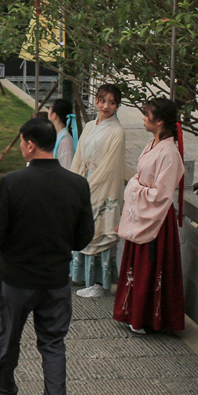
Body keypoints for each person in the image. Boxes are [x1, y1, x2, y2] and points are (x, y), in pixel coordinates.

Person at [0, 118, 95, 395]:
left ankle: (3, 392)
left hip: (17, 279)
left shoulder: (13, 182)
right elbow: (84, 237)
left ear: (30, 145)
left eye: (21, 142)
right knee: (53, 343)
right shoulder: (77, 184)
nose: (21, 147)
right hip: (56, 279)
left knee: (10, 335)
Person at [112, 97, 186, 334]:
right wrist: (137, 186)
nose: (144, 118)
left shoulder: (170, 153)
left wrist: (135, 189)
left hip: (157, 218)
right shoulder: (153, 143)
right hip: (144, 212)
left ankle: (148, 318)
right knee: (139, 266)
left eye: (147, 115)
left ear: (160, 121)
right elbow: (140, 178)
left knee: (150, 268)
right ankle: (135, 314)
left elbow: (162, 195)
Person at [70, 84, 127, 297]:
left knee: (99, 229)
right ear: (96, 100)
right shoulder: (90, 125)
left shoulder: (117, 132)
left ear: (117, 106)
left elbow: (110, 167)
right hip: (84, 180)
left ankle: (100, 284)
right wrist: (74, 182)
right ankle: (82, 278)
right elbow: (78, 156)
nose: (106, 106)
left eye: (112, 102)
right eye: (103, 101)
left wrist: (88, 186)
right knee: (82, 230)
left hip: (101, 186)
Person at [47, 99, 77, 171]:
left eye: (49, 110)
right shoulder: (58, 136)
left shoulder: (65, 140)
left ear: (54, 115)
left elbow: (67, 167)